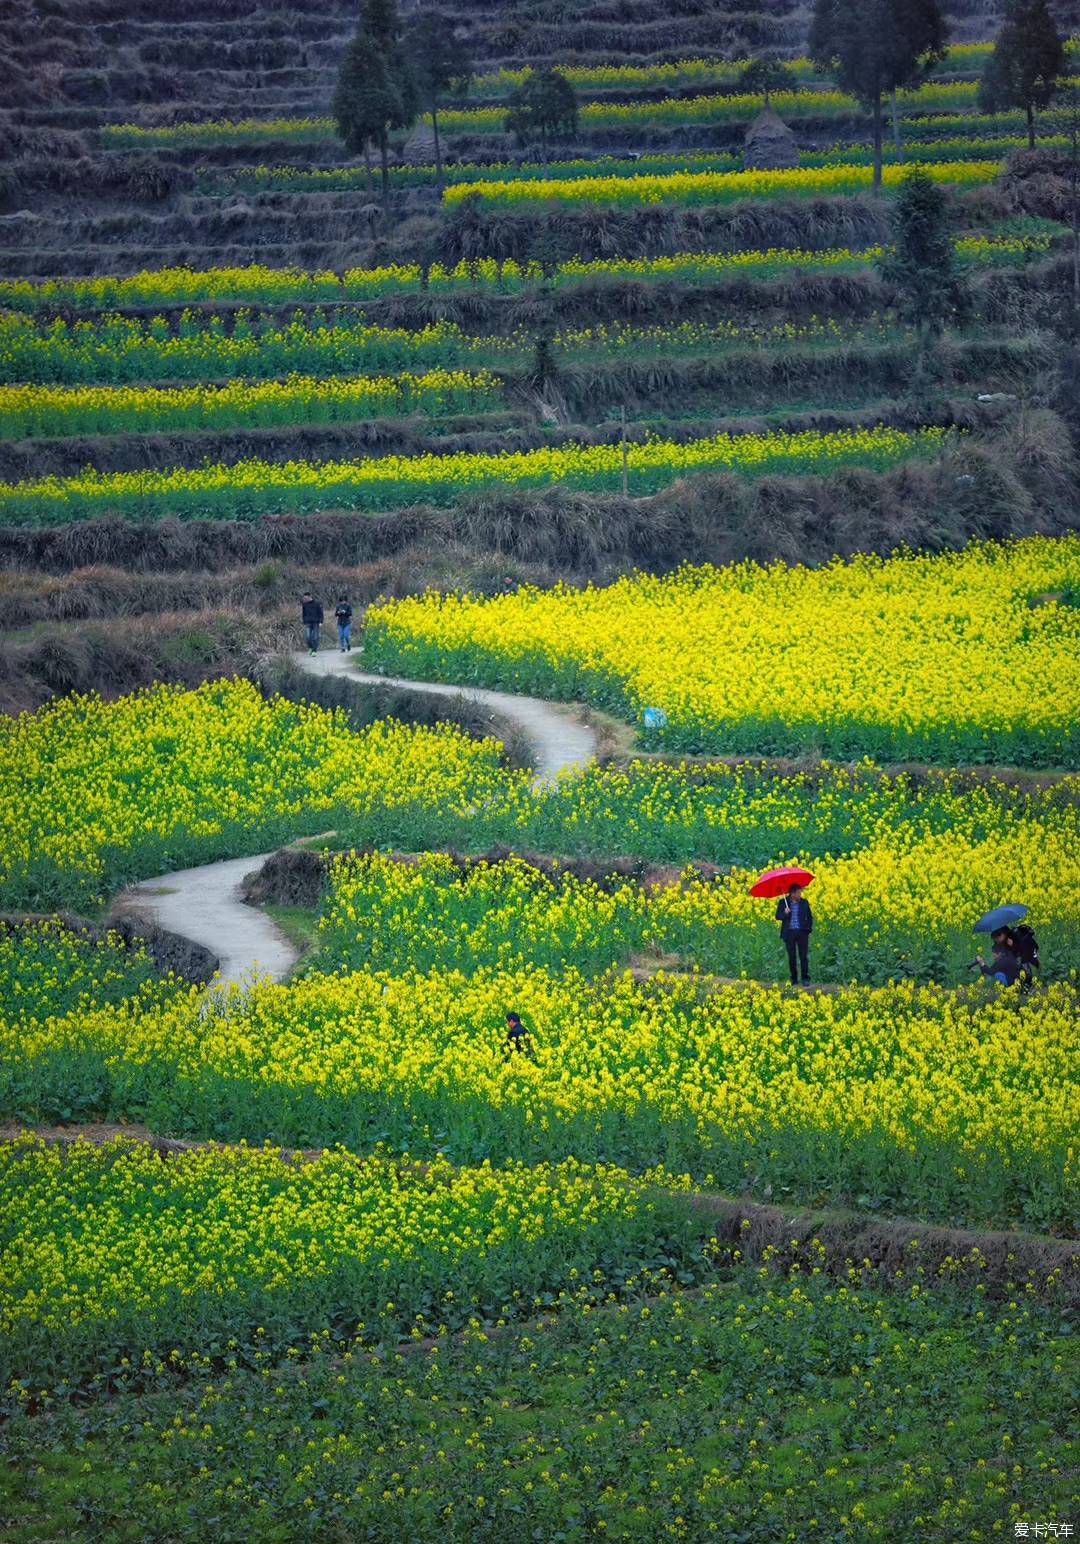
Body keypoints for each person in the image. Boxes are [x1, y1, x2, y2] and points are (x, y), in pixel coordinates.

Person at [776, 883, 813, 987]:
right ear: (792, 894)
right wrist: (785, 913)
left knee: (803, 957)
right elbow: (778, 916)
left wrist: (808, 930)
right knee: (792, 957)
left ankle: (805, 978)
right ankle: (794, 979)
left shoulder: (804, 903)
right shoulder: (783, 903)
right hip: (789, 933)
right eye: (798, 892)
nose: (800, 894)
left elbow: (810, 917)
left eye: (800, 892)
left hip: (802, 933)